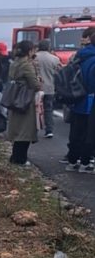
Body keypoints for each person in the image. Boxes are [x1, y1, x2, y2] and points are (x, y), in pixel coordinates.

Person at [6, 40, 41, 165]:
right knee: (25, 131)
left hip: (14, 98)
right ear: (30, 51)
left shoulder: (14, 63)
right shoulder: (27, 65)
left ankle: (14, 156)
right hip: (25, 100)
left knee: (16, 129)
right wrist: (39, 84)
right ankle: (20, 158)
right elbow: (34, 84)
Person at [66, 27, 95, 173]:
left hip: (77, 97)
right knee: (88, 134)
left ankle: (72, 161)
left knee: (76, 131)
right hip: (90, 101)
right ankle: (85, 163)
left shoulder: (79, 55)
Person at [35, 39, 61, 138]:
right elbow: (59, 72)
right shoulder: (54, 58)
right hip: (49, 88)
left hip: (36, 88)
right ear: (49, 47)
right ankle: (49, 130)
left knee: (35, 110)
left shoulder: (34, 57)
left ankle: (35, 130)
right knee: (48, 109)